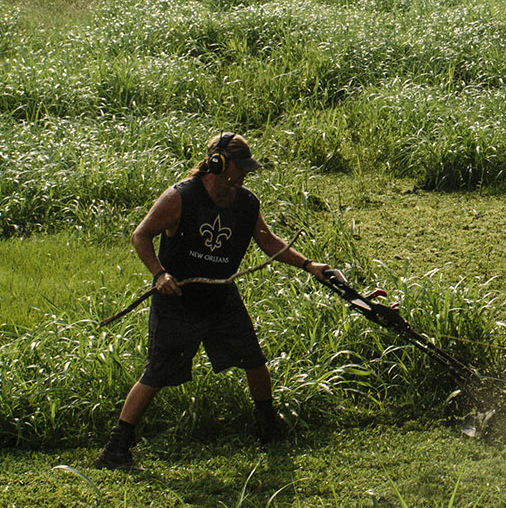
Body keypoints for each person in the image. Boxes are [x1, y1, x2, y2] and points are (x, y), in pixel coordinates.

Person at [96, 132, 341, 467]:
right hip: (179, 301)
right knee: (157, 373)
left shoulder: (246, 202)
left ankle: (269, 428)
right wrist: (159, 274)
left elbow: (267, 241)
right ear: (218, 163)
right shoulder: (180, 197)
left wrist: (309, 265)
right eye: (240, 167)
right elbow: (141, 235)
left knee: (254, 360)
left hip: (221, 298)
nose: (245, 174)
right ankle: (116, 448)